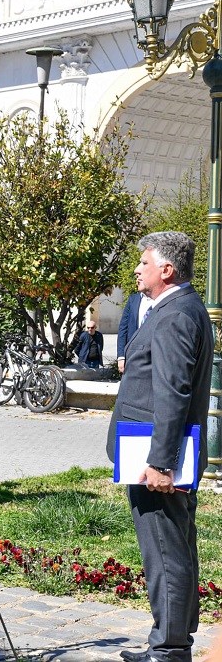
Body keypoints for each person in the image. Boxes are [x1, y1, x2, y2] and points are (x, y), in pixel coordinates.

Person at [107, 232, 212, 662]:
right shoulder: (181, 307)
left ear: (166, 270)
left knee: (166, 553)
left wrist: (160, 462)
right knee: (175, 547)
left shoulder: (175, 314)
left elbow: (173, 392)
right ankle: (172, 639)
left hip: (155, 460)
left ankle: (169, 650)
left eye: (144, 263)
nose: (136, 270)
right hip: (157, 454)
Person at [117, 291, 152, 374]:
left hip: (153, 354)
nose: (138, 284)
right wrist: (121, 356)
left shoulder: (161, 299)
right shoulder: (133, 299)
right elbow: (123, 328)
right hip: (133, 354)